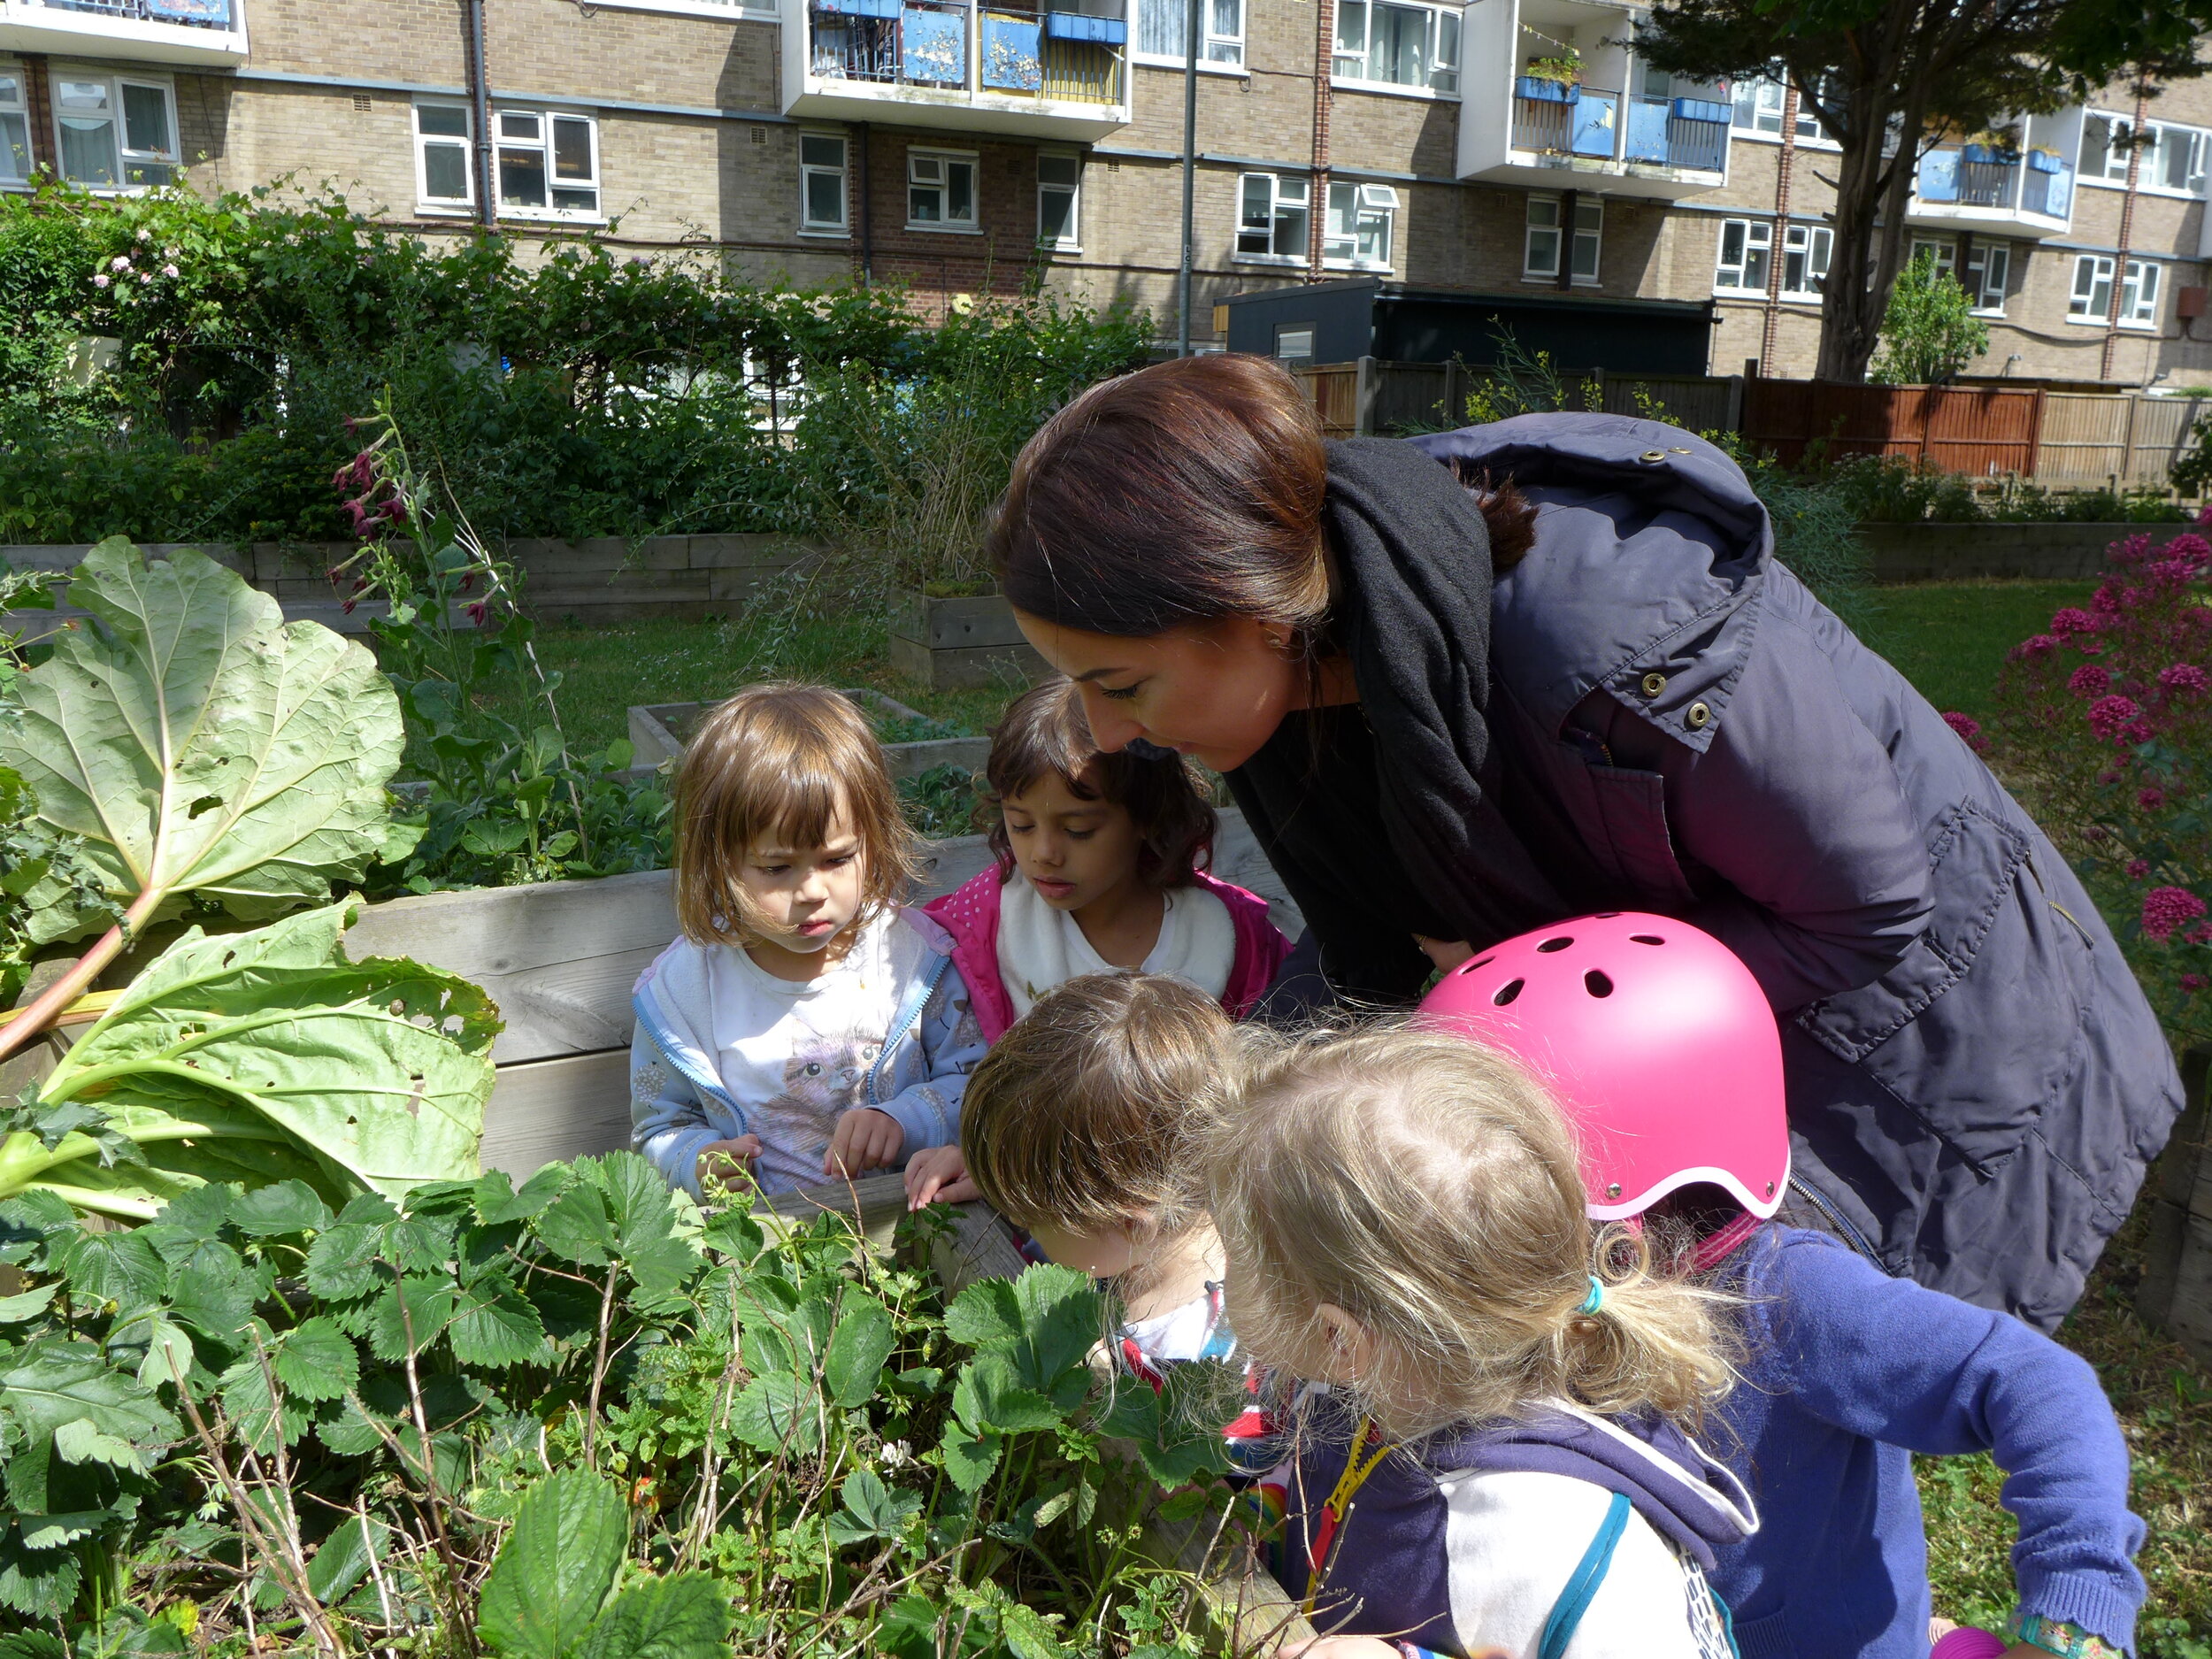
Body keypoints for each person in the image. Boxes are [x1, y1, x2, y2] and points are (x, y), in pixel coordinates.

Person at [986, 350, 2181, 1331]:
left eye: (1118, 682)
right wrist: (1221, 1132)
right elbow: (1368, 955)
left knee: (1835, 1377)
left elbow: (1864, 908)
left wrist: (1517, 1016)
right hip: (1700, 1022)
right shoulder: (1316, 666)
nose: (1104, 733)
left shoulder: (1613, 645)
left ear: (1253, 609)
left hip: (1918, 1028)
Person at [1419, 913, 2147, 1659]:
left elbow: (2036, 1381)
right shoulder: (1499, 1297)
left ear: (1618, 1200)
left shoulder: (1782, 1297)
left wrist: (2071, 1618)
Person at [1205, 1025, 1758, 1659]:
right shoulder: (1357, 1391)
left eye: (1236, 1251)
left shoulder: (1552, 1545)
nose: (1221, 1270)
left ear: (1339, 1337)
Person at [629, 682, 986, 1200]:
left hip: (911, 1240)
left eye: (837, 859)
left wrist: (900, 1120)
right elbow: (657, 1130)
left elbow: (975, 1082)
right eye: (777, 867)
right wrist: (695, 1162)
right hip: (762, 1257)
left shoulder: (910, 960)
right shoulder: (682, 994)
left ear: (874, 839)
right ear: (719, 862)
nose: (813, 891)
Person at [908, 972, 1240, 1379]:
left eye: (1031, 1214)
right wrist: (992, 1170)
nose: (1020, 1219)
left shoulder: (1187, 1359)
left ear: (1130, 1224)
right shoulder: (1131, 1237)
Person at [925, 677, 1288, 1040]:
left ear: (1148, 815)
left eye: (1078, 831)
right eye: (1021, 825)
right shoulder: (982, 922)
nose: (1044, 854)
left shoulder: (1228, 934)